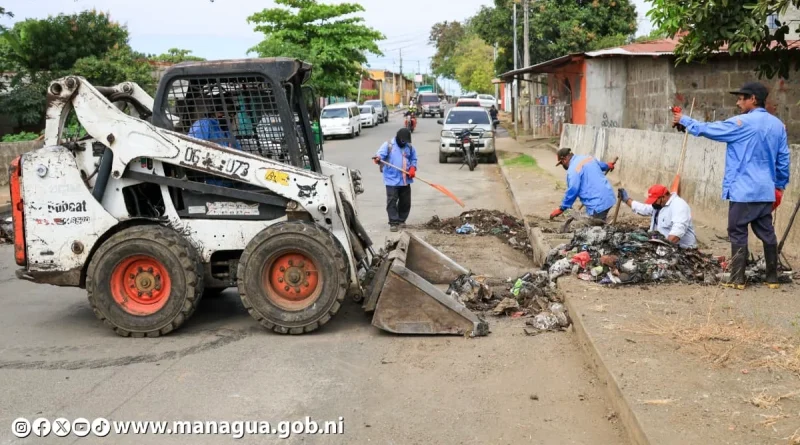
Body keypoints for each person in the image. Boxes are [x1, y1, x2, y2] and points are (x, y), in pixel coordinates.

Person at [673, 81, 790, 289]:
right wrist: (779, 186)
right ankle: (772, 277)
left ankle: (737, 278)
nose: (737, 103)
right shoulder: (778, 126)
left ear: (753, 99)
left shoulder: (741, 124)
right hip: (766, 190)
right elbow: (783, 160)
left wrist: (685, 120)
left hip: (743, 190)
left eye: (740, 98)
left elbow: (711, 129)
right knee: (766, 232)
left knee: (737, 230)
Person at [618, 185, 698, 249]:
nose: (653, 204)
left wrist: (662, 248)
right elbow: (643, 209)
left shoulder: (679, 206)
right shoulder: (659, 205)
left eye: (655, 201)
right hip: (661, 243)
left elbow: (677, 233)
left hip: (680, 248)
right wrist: (626, 199)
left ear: (663, 197)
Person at [550, 147, 617, 221]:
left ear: (564, 159)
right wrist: (608, 165)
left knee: (593, 227)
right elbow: (601, 165)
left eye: (561, 163)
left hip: (598, 204)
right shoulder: (587, 158)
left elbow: (573, 190)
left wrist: (562, 208)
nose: (563, 165)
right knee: (591, 216)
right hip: (609, 197)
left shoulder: (573, 170)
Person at [372, 128, 418, 232]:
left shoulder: (409, 147)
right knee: (392, 201)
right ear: (398, 138)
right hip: (391, 179)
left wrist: (412, 168)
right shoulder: (388, 145)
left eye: (405, 141)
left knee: (405, 202)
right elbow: (379, 156)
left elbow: (413, 158)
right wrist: (377, 158)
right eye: (403, 141)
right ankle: (393, 222)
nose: (404, 143)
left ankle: (401, 220)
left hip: (405, 179)